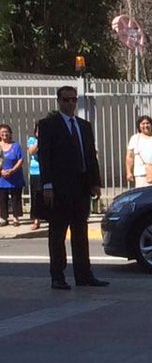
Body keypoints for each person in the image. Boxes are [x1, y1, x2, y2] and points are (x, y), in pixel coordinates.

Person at [39, 85, 106, 289]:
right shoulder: (48, 125)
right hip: (59, 188)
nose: (70, 103)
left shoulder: (84, 126)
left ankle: (84, 274)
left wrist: (95, 182)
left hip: (81, 186)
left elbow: (90, 156)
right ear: (59, 101)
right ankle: (57, 276)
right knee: (58, 233)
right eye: (66, 100)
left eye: (73, 99)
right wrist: (47, 185)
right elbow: (44, 156)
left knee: (80, 232)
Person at [126, 115, 152, 187]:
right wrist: (129, 172)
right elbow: (130, 157)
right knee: (143, 193)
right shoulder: (134, 138)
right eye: (143, 124)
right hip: (141, 174)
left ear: (151, 124)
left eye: (148, 123)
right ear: (139, 126)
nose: (146, 126)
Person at [0, 123, 25, 226]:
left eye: (6, 132)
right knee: (2, 198)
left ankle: (16, 218)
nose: (4, 134)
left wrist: (12, 170)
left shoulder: (16, 146)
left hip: (15, 177)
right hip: (2, 178)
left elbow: (21, 159)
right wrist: (1, 171)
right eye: (2, 132)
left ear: (10, 133)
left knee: (16, 198)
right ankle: (3, 218)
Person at [26, 127, 42, 230]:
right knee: (36, 197)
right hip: (36, 172)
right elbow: (31, 151)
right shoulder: (32, 140)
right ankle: (36, 220)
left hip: (48, 172)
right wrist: (39, 141)